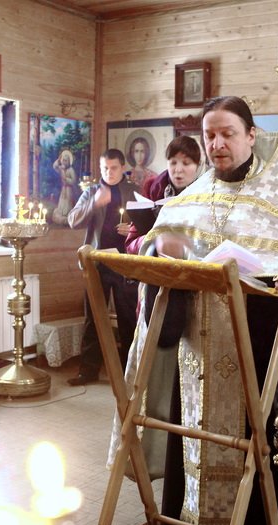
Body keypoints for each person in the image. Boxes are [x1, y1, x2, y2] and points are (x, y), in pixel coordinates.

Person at [109, 96, 278, 525]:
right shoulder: (190, 200)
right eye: (210, 135)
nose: (217, 143)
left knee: (257, 458)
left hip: (258, 354)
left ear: (251, 136)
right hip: (196, 357)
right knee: (194, 447)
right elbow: (153, 251)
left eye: (228, 134)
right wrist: (160, 248)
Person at [66, 148, 141, 386]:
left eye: (114, 168)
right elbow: (72, 220)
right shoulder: (91, 192)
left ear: (123, 168)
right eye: (105, 168)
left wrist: (132, 230)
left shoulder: (135, 191)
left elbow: (148, 225)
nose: (109, 172)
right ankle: (88, 371)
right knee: (94, 318)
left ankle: (129, 373)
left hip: (125, 263)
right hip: (97, 263)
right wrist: (94, 204)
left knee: (128, 319)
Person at [125, 135, 202, 255]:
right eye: (173, 163)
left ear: (198, 166)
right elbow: (130, 245)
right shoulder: (153, 189)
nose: (178, 169)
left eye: (186, 163)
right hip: (156, 262)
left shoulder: (207, 193)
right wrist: (154, 240)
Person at [51, 149, 77, 225]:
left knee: (68, 201)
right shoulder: (62, 169)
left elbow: (73, 181)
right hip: (63, 189)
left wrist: (66, 179)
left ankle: (68, 216)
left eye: (66, 160)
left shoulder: (71, 170)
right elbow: (55, 166)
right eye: (63, 160)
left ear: (69, 161)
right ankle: (62, 216)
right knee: (62, 201)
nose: (64, 162)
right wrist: (59, 159)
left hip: (69, 189)